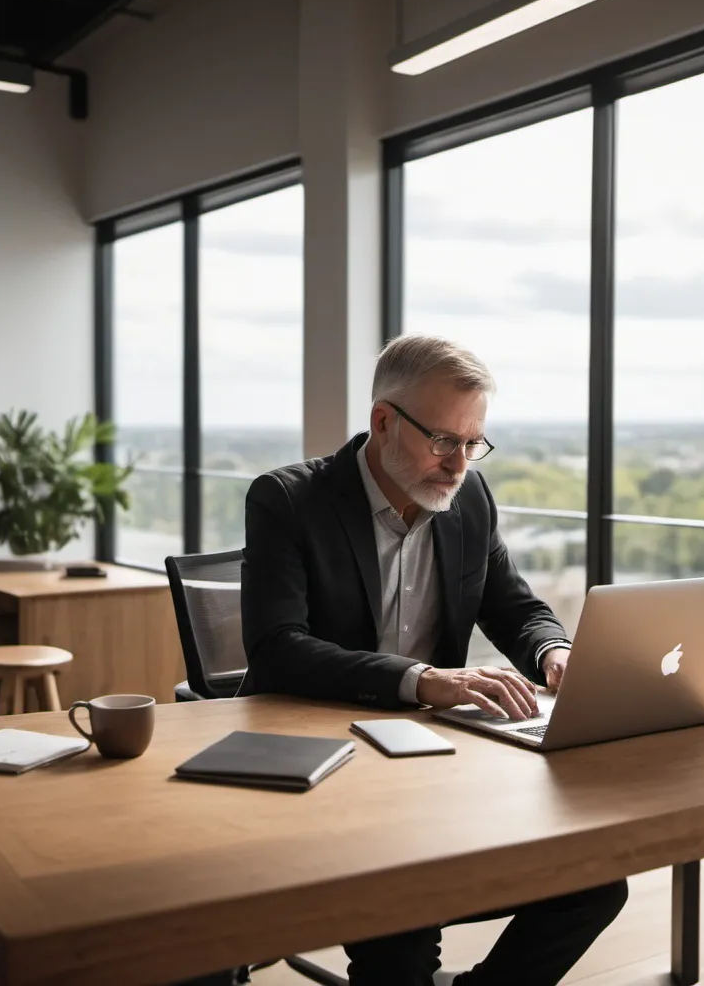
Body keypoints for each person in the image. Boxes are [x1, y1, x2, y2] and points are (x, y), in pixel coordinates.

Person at [240, 333, 627, 986]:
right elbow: (279, 651)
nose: (459, 463)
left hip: (434, 766)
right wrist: (422, 681)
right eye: (445, 441)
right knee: (405, 932)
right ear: (384, 422)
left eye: (474, 444)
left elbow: (513, 606)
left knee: (594, 884)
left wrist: (553, 650)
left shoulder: (468, 500)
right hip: (321, 757)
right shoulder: (287, 501)